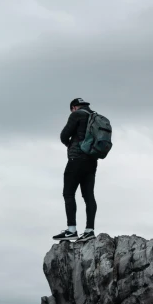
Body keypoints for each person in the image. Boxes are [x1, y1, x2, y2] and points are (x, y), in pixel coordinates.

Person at [53, 97, 98, 242]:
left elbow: (64, 135)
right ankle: (89, 230)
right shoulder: (95, 116)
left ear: (74, 107)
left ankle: (71, 230)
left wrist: (71, 145)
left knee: (68, 193)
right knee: (88, 195)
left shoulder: (76, 114)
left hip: (76, 159)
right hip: (92, 160)